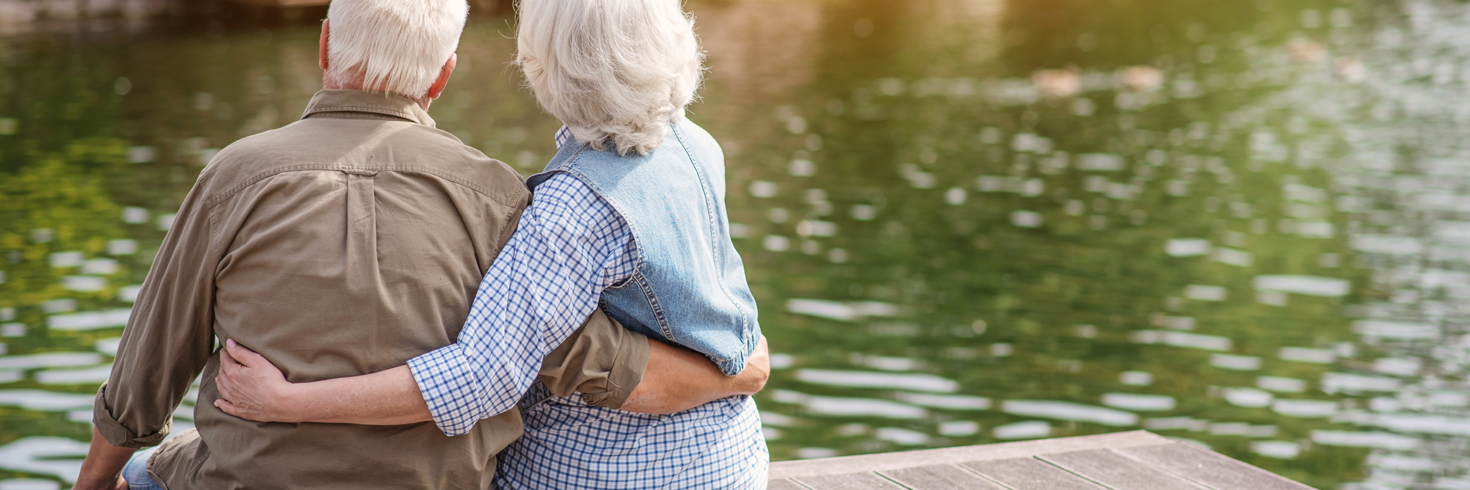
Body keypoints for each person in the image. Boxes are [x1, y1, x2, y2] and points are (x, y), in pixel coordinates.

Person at [72, 1, 767, 489]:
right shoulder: (503, 199)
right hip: (456, 483)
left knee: (149, 469)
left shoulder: (234, 175)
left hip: (245, 479)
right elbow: (581, 355)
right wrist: (734, 370)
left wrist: (98, 479)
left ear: (323, 46)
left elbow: (149, 364)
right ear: (443, 75)